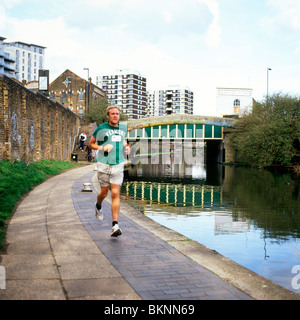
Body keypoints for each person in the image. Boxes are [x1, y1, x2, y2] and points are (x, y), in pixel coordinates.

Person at [88, 105, 130, 237]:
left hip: (118, 164)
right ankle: (98, 205)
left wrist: (127, 146)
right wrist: (102, 147)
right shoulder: (101, 128)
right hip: (104, 164)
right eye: (112, 114)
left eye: (117, 114)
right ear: (108, 116)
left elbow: (122, 139)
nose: (115, 116)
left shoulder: (123, 127)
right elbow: (91, 144)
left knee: (115, 194)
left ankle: (115, 225)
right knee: (104, 193)